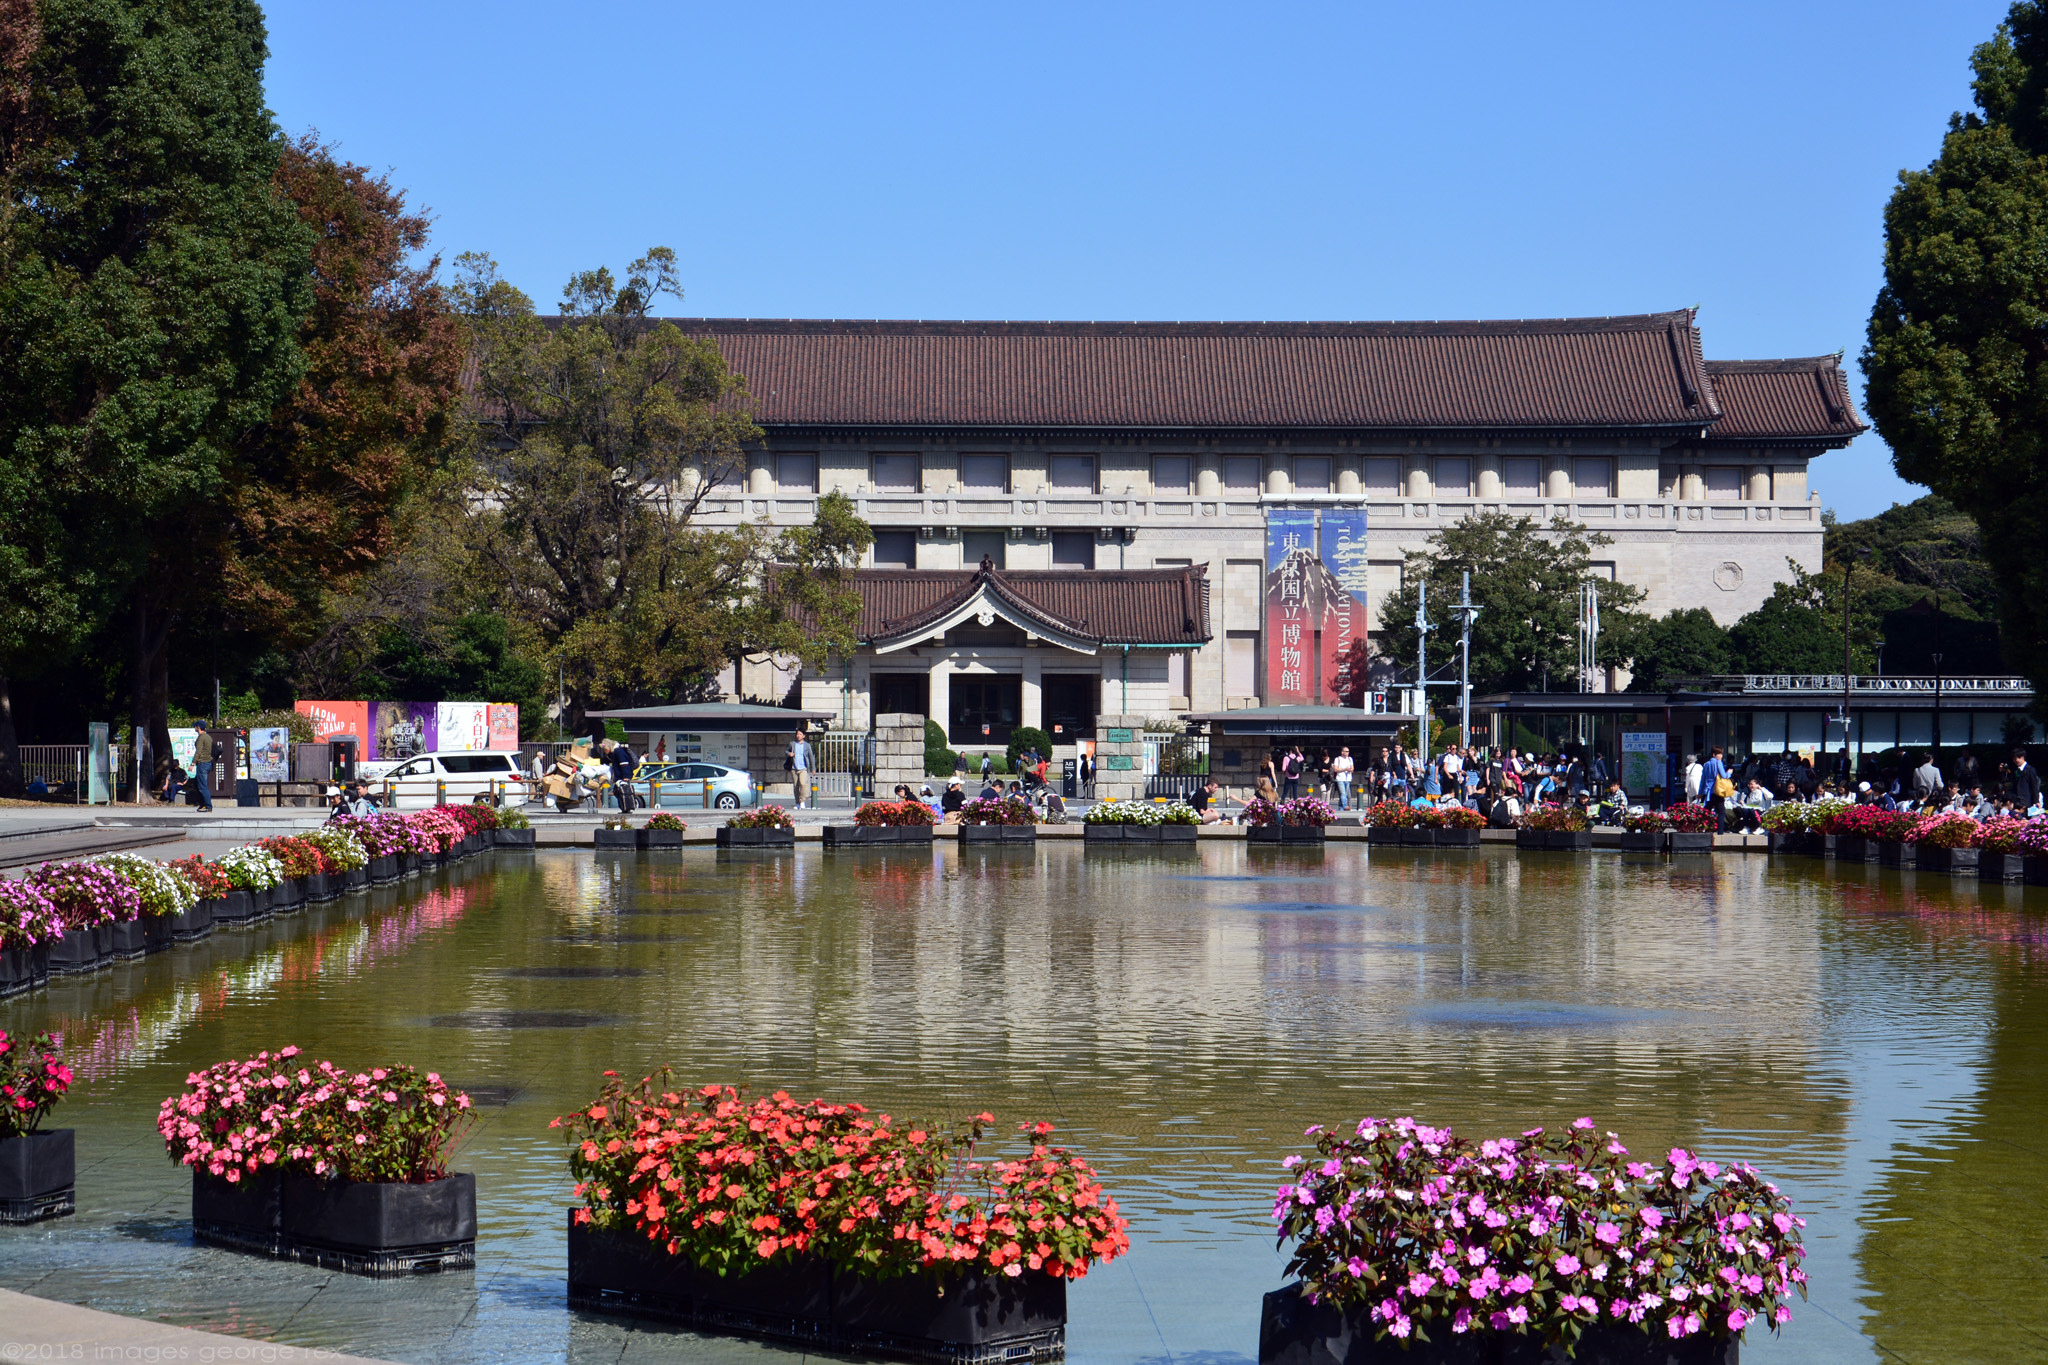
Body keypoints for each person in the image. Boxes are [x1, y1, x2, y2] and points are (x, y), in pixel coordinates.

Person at [605, 738, 637, 814]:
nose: (604, 751)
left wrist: (625, 776)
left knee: (623, 792)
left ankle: (626, 809)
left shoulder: (619, 751)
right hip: (620, 776)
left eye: (604, 749)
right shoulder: (615, 752)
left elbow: (624, 764)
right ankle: (625, 808)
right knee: (618, 792)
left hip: (623, 776)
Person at [787, 730, 813, 810]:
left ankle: (802, 801)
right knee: (796, 786)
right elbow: (786, 751)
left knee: (803, 784)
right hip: (794, 768)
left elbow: (811, 756)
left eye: (800, 734)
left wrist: (813, 768)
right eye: (797, 734)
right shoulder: (792, 744)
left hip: (803, 768)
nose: (798, 736)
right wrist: (789, 754)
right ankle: (797, 803)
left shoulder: (807, 745)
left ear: (803, 736)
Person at [191, 728, 215, 812]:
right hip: (208, 763)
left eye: (196, 726)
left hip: (202, 763)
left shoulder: (201, 737)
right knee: (197, 784)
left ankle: (208, 806)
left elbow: (198, 751)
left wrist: (193, 763)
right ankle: (202, 804)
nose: (195, 728)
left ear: (198, 727)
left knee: (202, 786)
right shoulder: (208, 737)